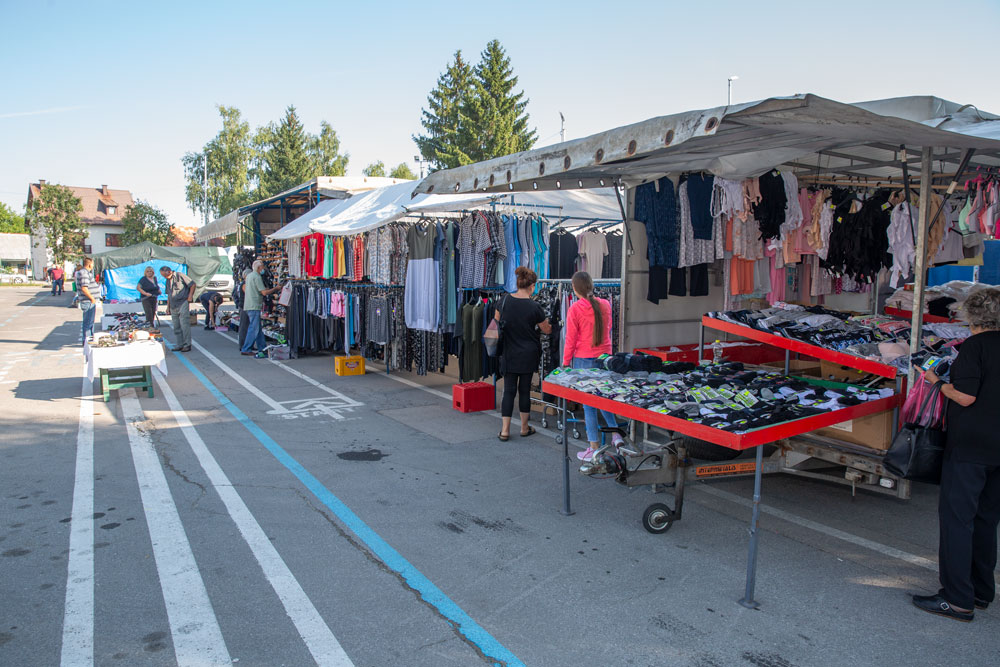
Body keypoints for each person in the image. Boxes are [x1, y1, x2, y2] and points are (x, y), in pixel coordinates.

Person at [913, 288, 1000, 622]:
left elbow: (965, 396)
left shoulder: (975, 347)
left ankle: (957, 598)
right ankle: (980, 590)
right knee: (986, 519)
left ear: (972, 316)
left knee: (957, 519)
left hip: (970, 445)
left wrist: (935, 381)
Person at [563, 271, 624, 461]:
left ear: (575, 288)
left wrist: (565, 362)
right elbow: (609, 328)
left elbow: (571, 339)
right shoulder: (605, 304)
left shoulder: (575, 308)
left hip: (584, 360)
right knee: (603, 398)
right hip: (605, 358)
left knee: (589, 405)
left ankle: (593, 448)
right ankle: (616, 435)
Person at [496, 267, 552, 441]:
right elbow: (547, 329)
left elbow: (496, 323)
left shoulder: (504, 301)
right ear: (532, 286)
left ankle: (505, 430)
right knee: (524, 391)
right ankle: (524, 428)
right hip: (528, 353)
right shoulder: (535, 307)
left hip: (509, 352)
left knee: (509, 391)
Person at [241, 260, 281, 358]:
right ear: (259, 268)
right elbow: (264, 292)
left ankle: (262, 348)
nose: (264, 268)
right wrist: (275, 289)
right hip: (254, 305)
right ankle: (246, 349)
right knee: (254, 328)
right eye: (262, 266)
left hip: (249, 304)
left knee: (257, 329)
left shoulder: (249, 276)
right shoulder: (257, 277)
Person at [160, 266, 195, 352]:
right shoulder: (167, 280)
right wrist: (168, 307)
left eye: (165, 275)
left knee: (184, 325)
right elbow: (169, 294)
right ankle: (180, 344)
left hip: (182, 302)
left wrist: (190, 296)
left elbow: (192, 284)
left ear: (169, 272)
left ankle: (187, 344)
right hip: (173, 305)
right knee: (176, 326)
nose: (165, 277)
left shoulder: (180, 275)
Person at [75, 258, 99, 344]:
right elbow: (84, 288)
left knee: (90, 322)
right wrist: (92, 298)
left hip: (89, 301)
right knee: (88, 322)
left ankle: (89, 339)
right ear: (89, 264)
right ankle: (87, 341)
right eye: (92, 264)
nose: (93, 266)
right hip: (88, 301)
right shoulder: (84, 273)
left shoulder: (85, 272)